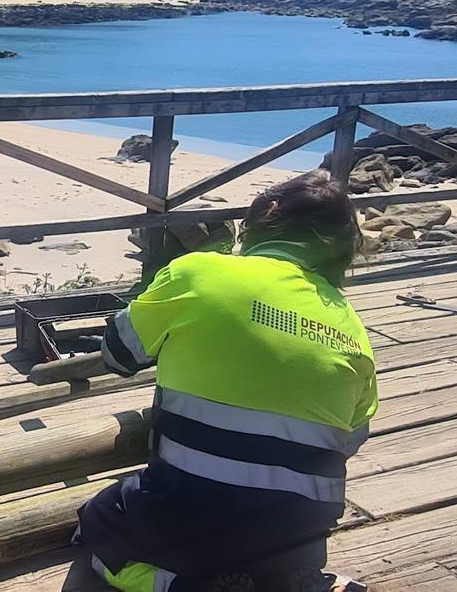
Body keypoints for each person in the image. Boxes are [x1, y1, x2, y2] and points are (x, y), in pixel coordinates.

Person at [74, 170, 378, 592]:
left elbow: (119, 354)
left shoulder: (199, 271)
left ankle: (183, 586)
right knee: (260, 544)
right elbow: (352, 436)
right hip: (298, 533)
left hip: (191, 511)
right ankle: (281, 579)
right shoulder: (351, 323)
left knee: (99, 525)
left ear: (267, 213)